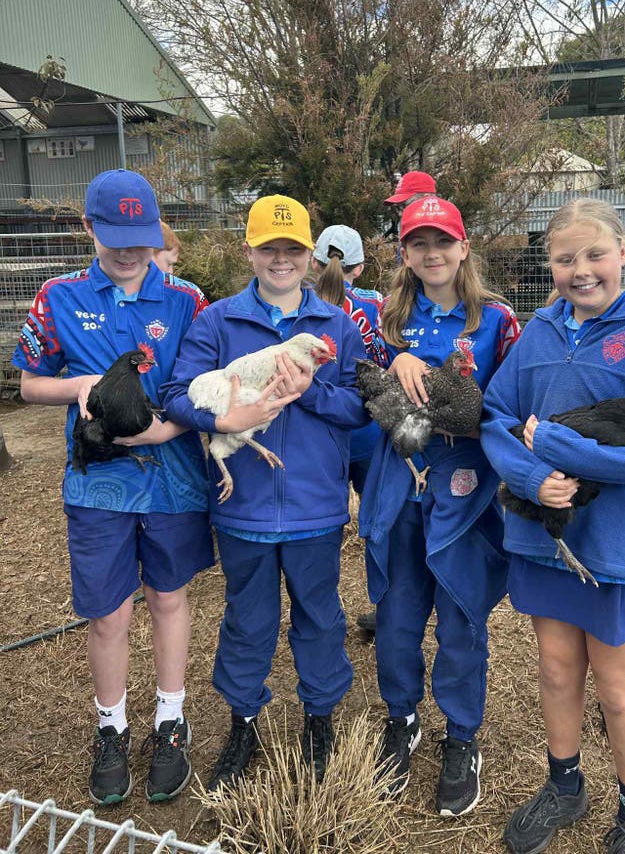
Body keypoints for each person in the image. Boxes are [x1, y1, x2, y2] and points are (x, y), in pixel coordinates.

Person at [480, 198, 625, 854]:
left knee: (618, 684)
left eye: (595, 255)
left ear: (624, 254)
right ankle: (565, 782)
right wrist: (528, 477)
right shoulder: (539, 334)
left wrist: (567, 451)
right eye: (564, 258)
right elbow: (495, 417)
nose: (581, 270)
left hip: (620, 544)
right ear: (548, 265)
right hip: (548, 539)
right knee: (555, 669)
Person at [12, 169, 215, 805]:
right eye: (115, 235)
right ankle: (112, 726)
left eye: (142, 237)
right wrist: (75, 387)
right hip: (97, 483)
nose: (129, 251)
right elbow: (27, 383)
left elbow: (203, 387)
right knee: (108, 612)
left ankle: (171, 719)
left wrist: (167, 427)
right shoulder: (58, 296)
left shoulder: (187, 300)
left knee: (169, 598)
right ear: (87, 227)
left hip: (174, 480)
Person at [160, 194, 369, 789]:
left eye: (293, 250)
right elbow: (179, 394)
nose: (282, 260)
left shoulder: (335, 325)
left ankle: (319, 720)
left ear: (311, 256)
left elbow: (360, 406)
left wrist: (312, 393)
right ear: (248, 250)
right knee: (247, 619)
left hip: (314, 506)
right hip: (243, 506)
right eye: (270, 249)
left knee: (319, 616)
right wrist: (220, 420)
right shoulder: (218, 321)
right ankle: (243, 721)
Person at [358, 195, 521, 817]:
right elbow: (355, 373)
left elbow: (510, 402)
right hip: (399, 474)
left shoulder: (497, 321)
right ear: (404, 252)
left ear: (464, 247)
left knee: (460, 610)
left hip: (464, 480)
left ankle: (461, 734)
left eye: (443, 241)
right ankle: (400, 718)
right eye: (419, 242)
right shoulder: (383, 315)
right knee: (397, 612)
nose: (432, 253)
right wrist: (391, 357)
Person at [312, 224, 386, 494]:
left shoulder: (300, 303)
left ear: (313, 263)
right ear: (359, 268)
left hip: (318, 431)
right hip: (368, 428)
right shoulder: (376, 303)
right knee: (376, 514)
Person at [383, 170, 438, 238]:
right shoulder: (409, 230)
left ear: (428, 198)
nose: (400, 214)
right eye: (398, 208)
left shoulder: (448, 234)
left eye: (405, 206)